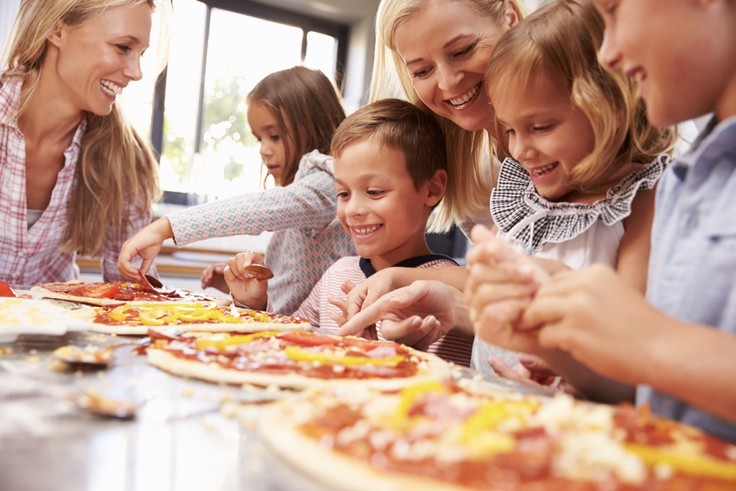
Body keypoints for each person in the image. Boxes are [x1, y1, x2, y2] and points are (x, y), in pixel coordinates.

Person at [466, 0, 736, 442]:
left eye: (612, 11)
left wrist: (651, 342)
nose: (608, 55)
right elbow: (653, 393)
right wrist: (558, 343)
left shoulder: (651, 192)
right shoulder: (687, 183)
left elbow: (653, 354)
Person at [466, 0, 677, 372]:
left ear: (608, 107)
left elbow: (631, 336)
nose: (519, 150)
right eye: (510, 129)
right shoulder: (524, 198)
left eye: (541, 127)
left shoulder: (643, 198)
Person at [226, 99, 473, 366]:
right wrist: (253, 306)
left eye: (375, 192)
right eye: (343, 193)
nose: (352, 209)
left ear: (432, 188)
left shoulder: (451, 292)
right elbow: (287, 341)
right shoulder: (338, 273)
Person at [338, 0, 527, 327]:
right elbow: (499, 291)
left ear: (509, 18)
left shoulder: (568, 152)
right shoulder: (478, 174)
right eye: (422, 71)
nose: (449, 82)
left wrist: (404, 279)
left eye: (463, 50)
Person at [117, 66, 355, 314]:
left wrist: (164, 228)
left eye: (273, 136)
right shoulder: (309, 190)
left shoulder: (330, 183)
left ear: (314, 124)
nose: (263, 149)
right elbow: (291, 293)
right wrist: (250, 288)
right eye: (258, 139)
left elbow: (259, 210)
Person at [0, 0, 165, 286]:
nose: (137, 73)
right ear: (56, 29)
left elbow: (133, 293)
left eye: (141, 53)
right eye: (123, 47)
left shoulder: (125, 158)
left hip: (50, 328)